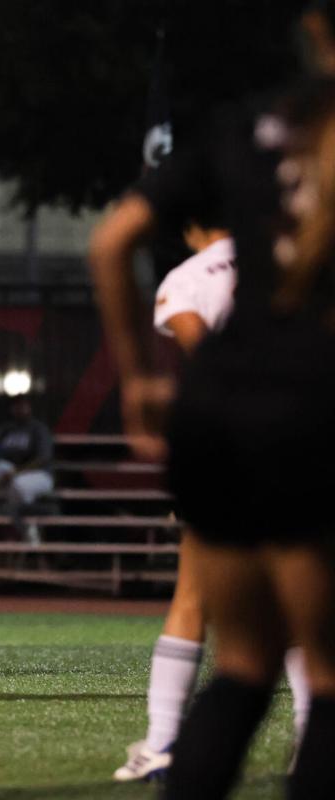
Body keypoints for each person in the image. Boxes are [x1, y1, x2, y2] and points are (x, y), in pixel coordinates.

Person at [90, 9, 335, 796]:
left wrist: (136, 380)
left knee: (240, 665)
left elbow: (109, 243)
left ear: (310, 31)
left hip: (216, 415)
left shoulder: (244, 126)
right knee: (326, 672)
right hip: (312, 410)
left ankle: (165, 748)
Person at [112, 222, 310, 782]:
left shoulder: (190, 277)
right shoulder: (296, 258)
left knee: (195, 598)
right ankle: (309, 742)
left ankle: (163, 742)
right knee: (303, 601)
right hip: (306, 444)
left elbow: (213, 369)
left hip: (235, 449)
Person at [0, 395, 54, 543]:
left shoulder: (38, 429)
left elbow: (43, 458)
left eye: (23, 406)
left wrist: (16, 472)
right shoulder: (6, 429)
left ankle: (27, 524)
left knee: (17, 485)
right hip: (13, 473)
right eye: (17, 406)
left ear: (30, 407)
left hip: (38, 475)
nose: (20, 409)